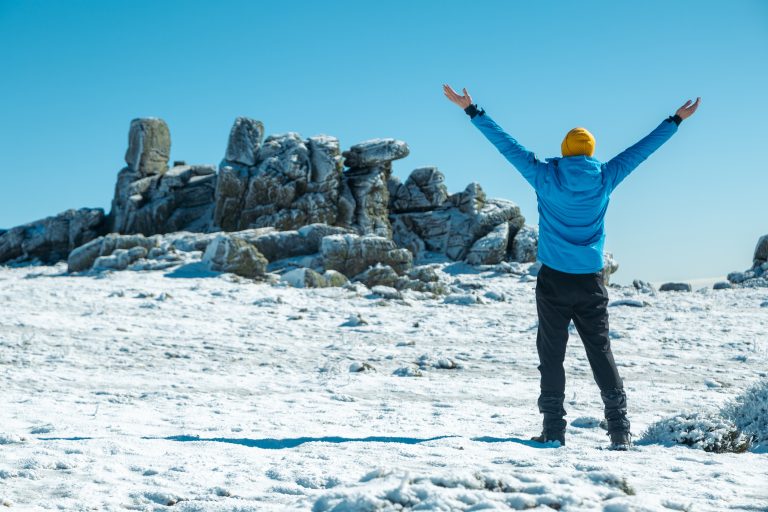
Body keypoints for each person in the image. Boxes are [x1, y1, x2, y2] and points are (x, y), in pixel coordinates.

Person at [443, 84, 700, 450]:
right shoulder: (606, 176)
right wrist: (675, 121)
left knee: (551, 355)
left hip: (553, 281)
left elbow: (506, 146)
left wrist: (472, 110)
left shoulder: (545, 176)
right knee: (601, 352)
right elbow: (640, 152)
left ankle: (553, 430)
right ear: (591, 153)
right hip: (592, 282)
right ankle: (619, 431)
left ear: (564, 151)